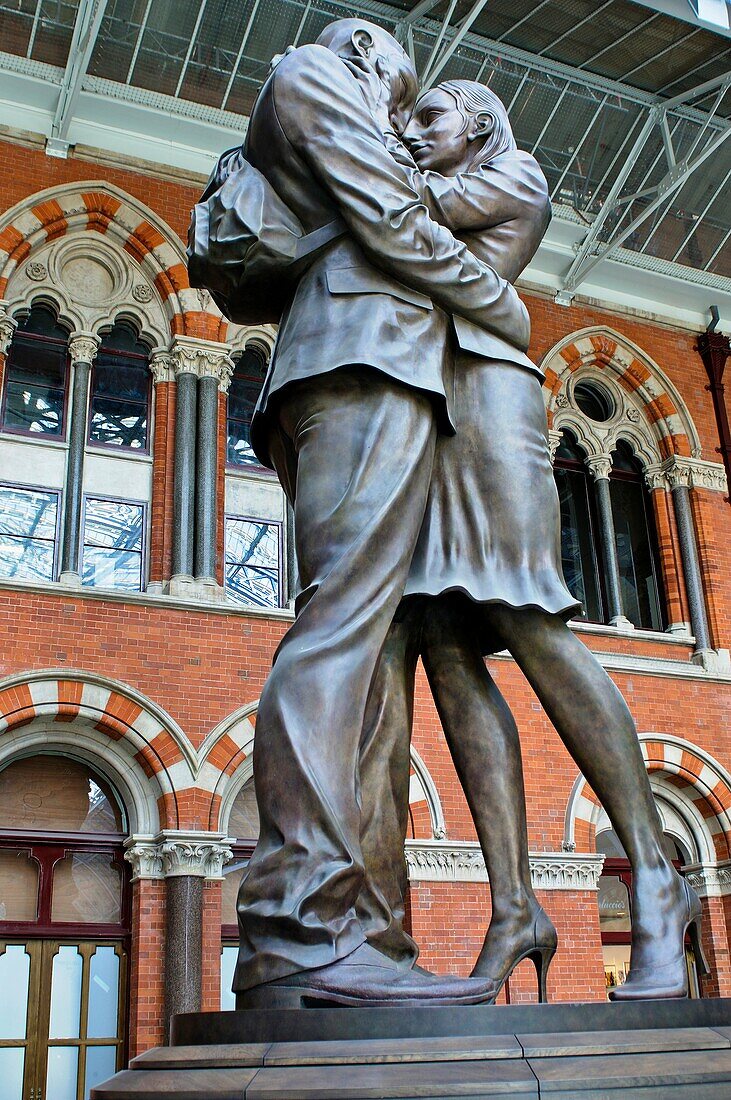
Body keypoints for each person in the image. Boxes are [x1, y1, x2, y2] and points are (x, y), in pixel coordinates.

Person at [357, 80, 707, 1003]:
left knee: (531, 616)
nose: (409, 132)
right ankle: (513, 902)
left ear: (477, 123)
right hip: (423, 404)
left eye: (426, 118)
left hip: (488, 403)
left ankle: (652, 872)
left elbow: (392, 204)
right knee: (436, 639)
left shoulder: (511, 174)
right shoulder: (452, 171)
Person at [223, 21, 532, 1008]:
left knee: (362, 661)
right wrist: (499, 303)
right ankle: (304, 926)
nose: (403, 119)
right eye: (404, 98)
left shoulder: (319, 110)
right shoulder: (320, 77)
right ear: (373, 51)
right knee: (340, 635)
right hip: (359, 362)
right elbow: (396, 219)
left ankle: (362, 938)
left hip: (358, 369)